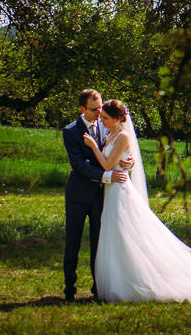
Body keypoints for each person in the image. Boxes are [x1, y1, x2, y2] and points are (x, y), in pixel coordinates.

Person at [81, 99, 191, 302]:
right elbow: (119, 160)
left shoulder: (122, 136)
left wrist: (95, 147)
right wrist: (125, 161)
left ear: (116, 119)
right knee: (115, 235)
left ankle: (130, 282)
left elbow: (107, 164)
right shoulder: (111, 133)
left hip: (119, 191)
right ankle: (116, 280)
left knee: (124, 234)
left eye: (105, 118)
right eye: (102, 117)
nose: (102, 121)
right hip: (111, 190)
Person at [62, 89, 133, 302]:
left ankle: (97, 288)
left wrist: (129, 162)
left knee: (99, 243)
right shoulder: (71, 131)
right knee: (72, 242)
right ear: (82, 109)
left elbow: (118, 149)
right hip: (78, 193)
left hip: (100, 196)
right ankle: (69, 290)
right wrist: (107, 176)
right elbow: (80, 166)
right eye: (94, 110)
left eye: (101, 108)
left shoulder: (106, 124)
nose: (99, 113)